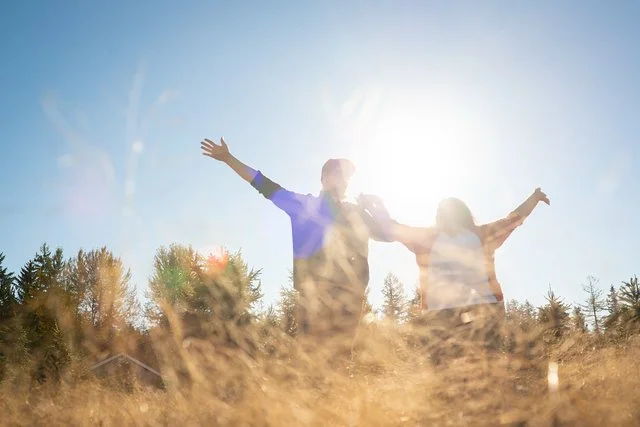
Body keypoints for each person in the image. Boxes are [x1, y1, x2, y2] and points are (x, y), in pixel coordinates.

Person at [200, 137, 393, 351]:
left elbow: (387, 235)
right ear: (324, 178)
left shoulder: (356, 212)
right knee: (312, 359)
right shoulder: (305, 205)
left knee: (341, 358)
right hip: (313, 297)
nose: (344, 181)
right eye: (338, 174)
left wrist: (377, 207)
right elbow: (265, 186)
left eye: (347, 177)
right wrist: (228, 158)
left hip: (350, 297)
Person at [359, 188, 550, 360]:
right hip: (481, 312)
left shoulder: (428, 239)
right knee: (483, 371)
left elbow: (392, 228)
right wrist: (534, 198)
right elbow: (513, 220)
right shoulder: (480, 234)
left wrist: (374, 206)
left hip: (445, 314)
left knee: (447, 376)